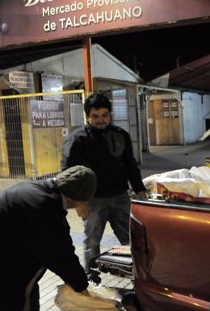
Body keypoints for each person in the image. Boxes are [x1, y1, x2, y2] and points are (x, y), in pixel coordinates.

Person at [61, 92, 147, 284]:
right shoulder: (77, 138)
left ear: (110, 114)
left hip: (120, 197)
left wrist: (140, 190)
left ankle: (136, 276)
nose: (100, 120)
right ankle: (92, 278)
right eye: (95, 116)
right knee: (92, 242)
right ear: (87, 116)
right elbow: (68, 172)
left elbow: (130, 165)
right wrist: (78, 202)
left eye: (104, 115)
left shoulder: (120, 135)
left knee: (129, 239)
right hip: (92, 201)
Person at [0, 165, 97, 311]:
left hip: (3, 258)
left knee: (29, 294)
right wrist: (81, 287)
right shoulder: (44, 206)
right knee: (15, 301)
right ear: (76, 198)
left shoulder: (40, 191)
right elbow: (60, 254)